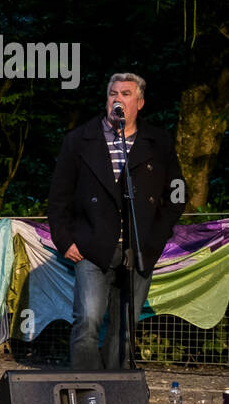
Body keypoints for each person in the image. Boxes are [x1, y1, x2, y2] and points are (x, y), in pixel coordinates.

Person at [47, 73, 185, 369]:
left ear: (140, 102)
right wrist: (64, 239)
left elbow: (177, 194)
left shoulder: (158, 142)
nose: (117, 99)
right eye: (112, 93)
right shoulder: (79, 140)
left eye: (125, 93)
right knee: (87, 322)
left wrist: (155, 239)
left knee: (125, 329)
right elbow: (58, 197)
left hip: (139, 248)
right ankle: (87, 395)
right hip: (91, 247)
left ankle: (117, 394)